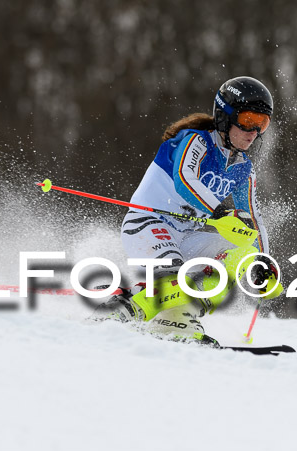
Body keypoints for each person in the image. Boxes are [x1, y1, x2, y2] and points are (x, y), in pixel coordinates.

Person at [98, 76, 282, 340]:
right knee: (173, 278)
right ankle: (120, 310)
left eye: (261, 124)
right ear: (225, 116)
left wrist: (263, 263)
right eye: (248, 121)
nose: (253, 132)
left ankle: (177, 319)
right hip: (149, 225)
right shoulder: (195, 141)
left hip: (188, 237)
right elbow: (185, 180)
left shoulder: (243, 169)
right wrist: (219, 213)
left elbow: (254, 220)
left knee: (239, 257)